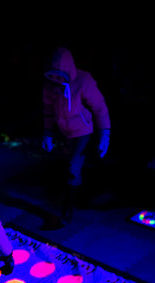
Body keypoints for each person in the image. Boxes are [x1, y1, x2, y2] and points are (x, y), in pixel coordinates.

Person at [41, 46, 111, 223]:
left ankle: (68, 213)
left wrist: (105, 135)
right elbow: (48, 110)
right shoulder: (50, 85)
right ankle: (79, 199)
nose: (56, 79)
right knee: (71, 168)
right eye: (53, 75)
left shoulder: (83, 81)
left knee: (74, 167)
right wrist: (48, 134)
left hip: (83, 131)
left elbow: (100, 107)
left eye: (60, 75)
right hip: (64, 132)